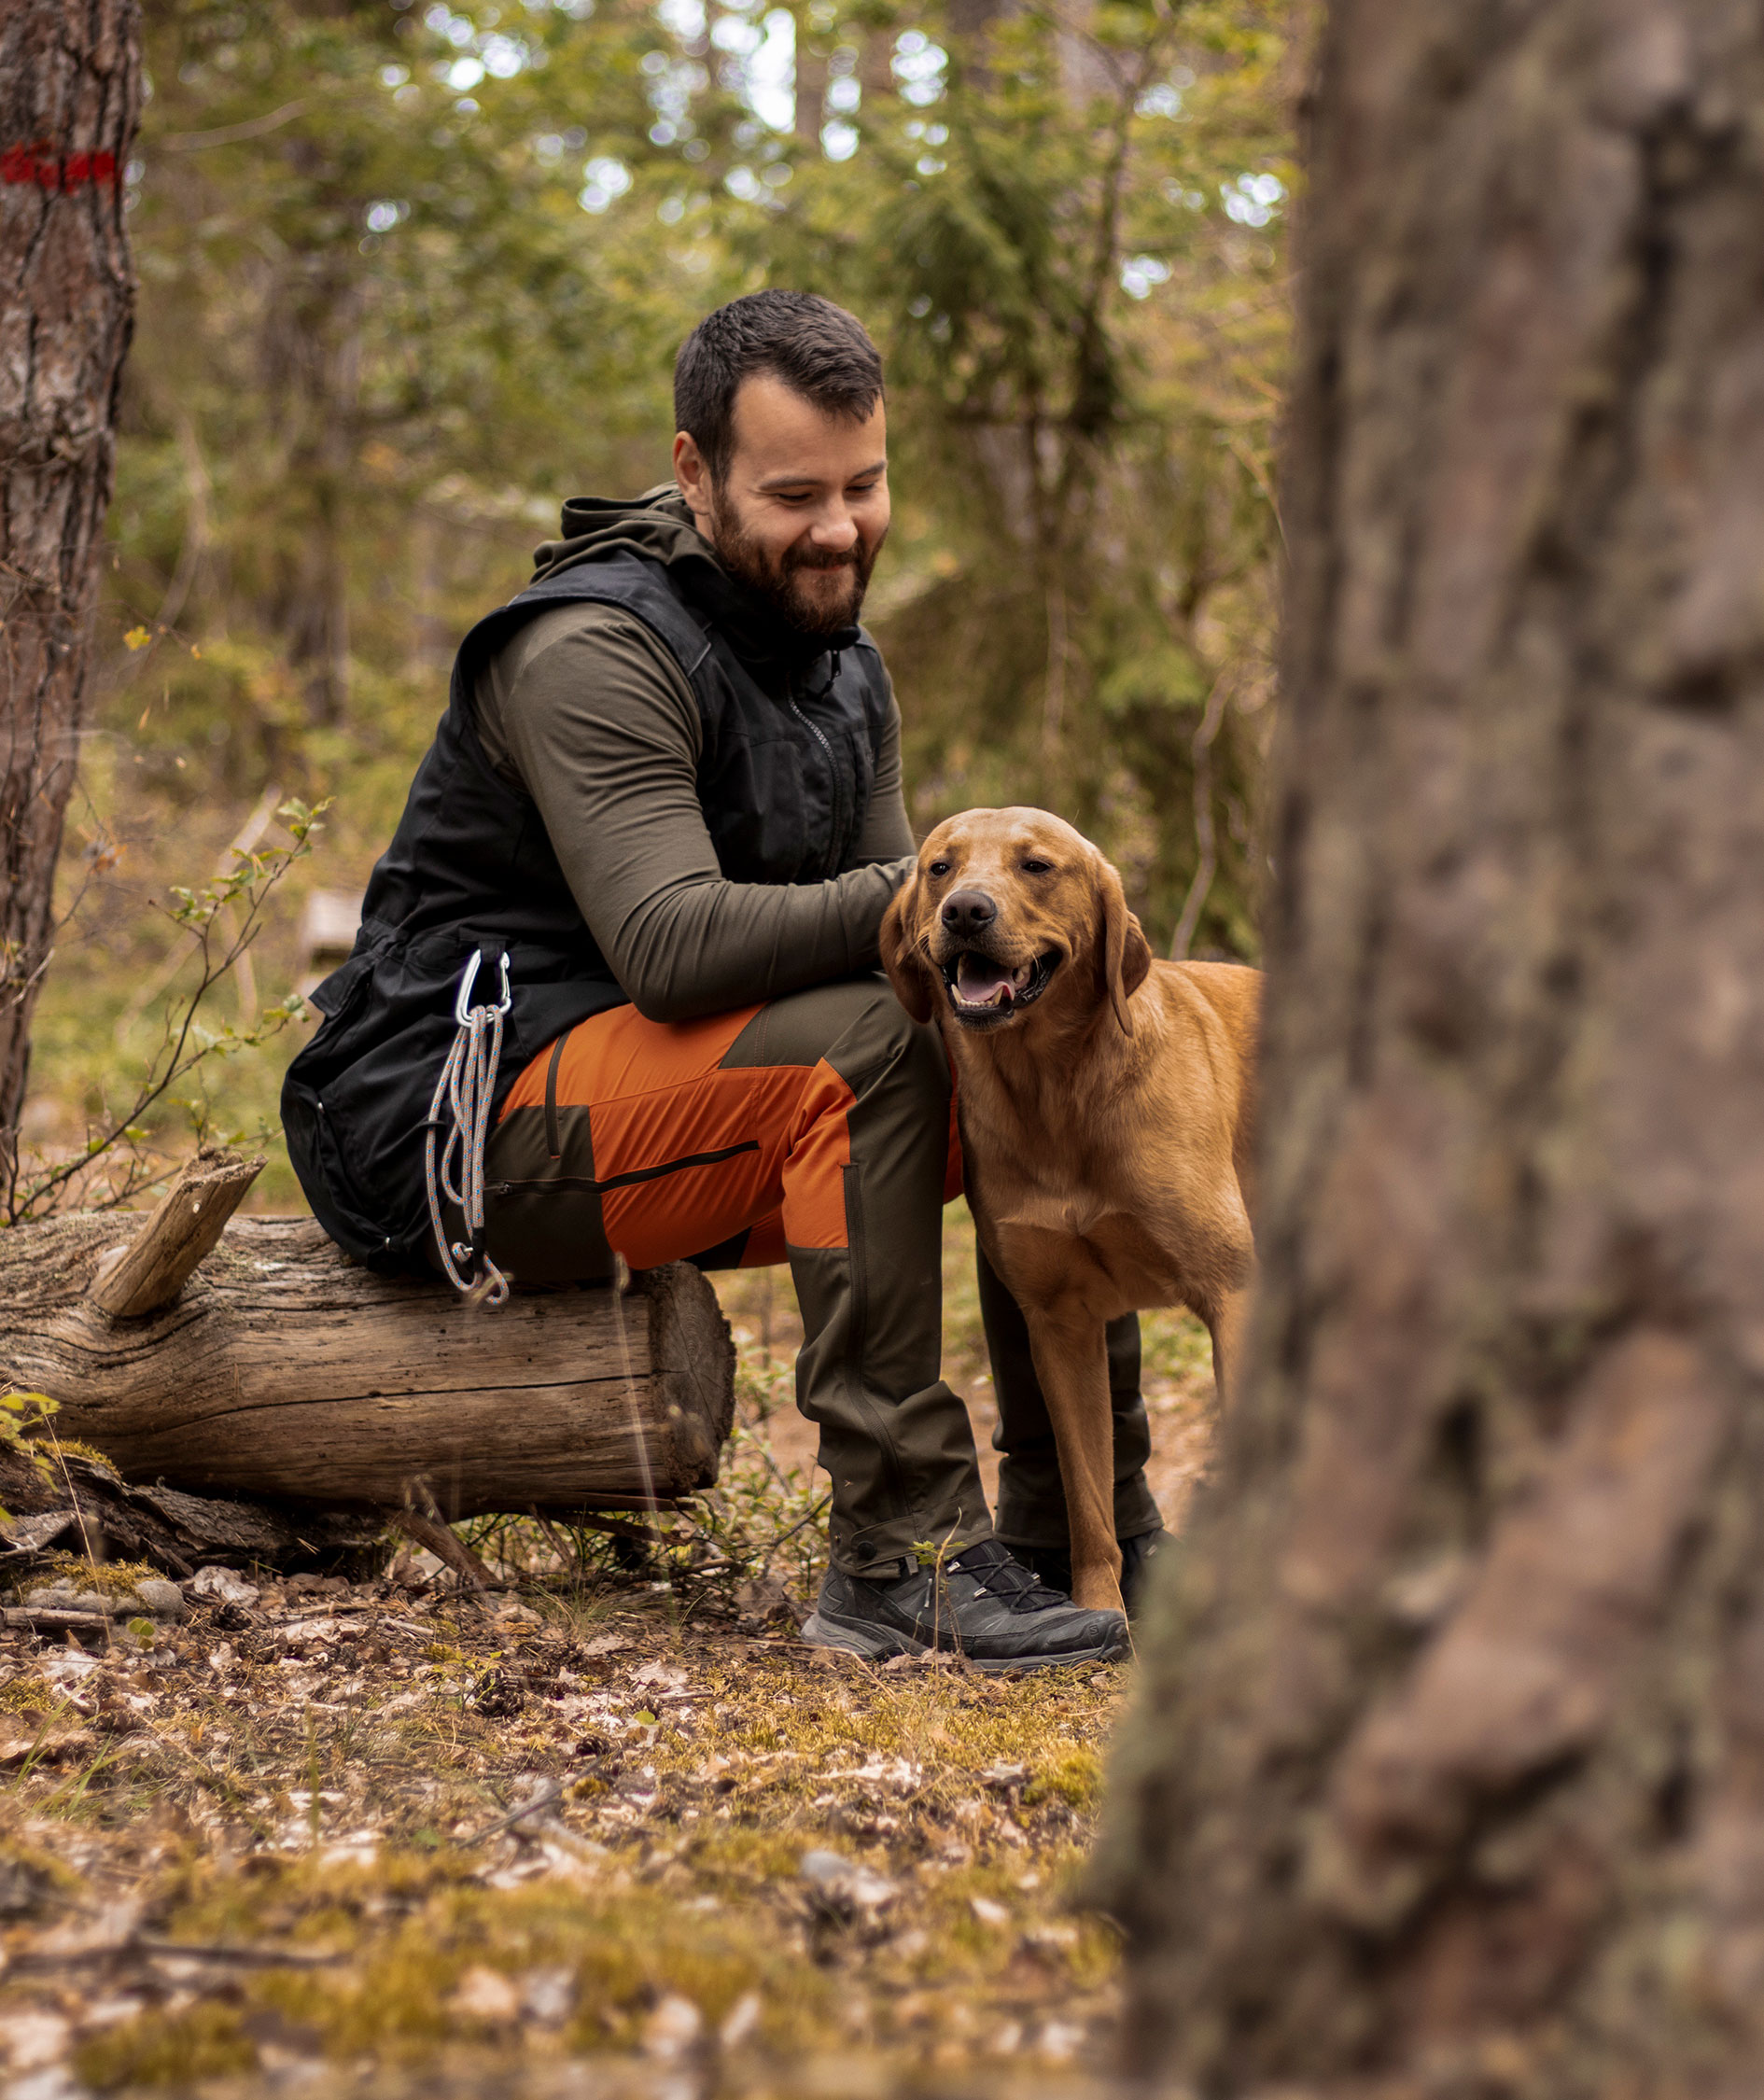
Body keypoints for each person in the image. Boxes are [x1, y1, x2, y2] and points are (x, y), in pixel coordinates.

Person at [283, 290, 1165, 1668]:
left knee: (1004, 1027)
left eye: (864, 486)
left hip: (647, 1085)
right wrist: (956, 890)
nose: (838, 527)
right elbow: (675, 945)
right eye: (794, 493)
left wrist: (994, 935)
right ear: (694, 473)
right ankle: (901, 1552)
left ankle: (1084, 1517)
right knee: (867, 1052)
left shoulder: (837, 653)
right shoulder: (587, 650)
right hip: (459, 1123)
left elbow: (915, 963)